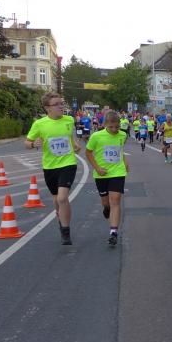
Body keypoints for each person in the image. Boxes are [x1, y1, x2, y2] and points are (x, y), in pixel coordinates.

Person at [25, 93, 80, 245]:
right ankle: (61, 220)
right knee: (56, 199)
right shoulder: (39, 124)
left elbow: (70, 137)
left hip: (68, 163)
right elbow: (27, 142)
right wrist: (33, 144)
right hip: (50, 166)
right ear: (47, 108)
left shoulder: (69, 120)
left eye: (62, 103)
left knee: (62, 198)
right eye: (57, 104)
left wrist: (75, 144)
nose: (61, 106)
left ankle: (66, 231)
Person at [84, 111, 129, 246]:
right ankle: (106, 207)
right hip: (101, 174)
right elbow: (88, 152)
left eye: (117, 127)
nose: (114, 130)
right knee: (106, 202)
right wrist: (97, 168)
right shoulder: (96, 136)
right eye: (111, 127)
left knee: (116, 199)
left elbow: (120, 150)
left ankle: (113, 232)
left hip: (117, 172)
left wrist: (125, 162)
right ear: (105, 125)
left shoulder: (123, 135)